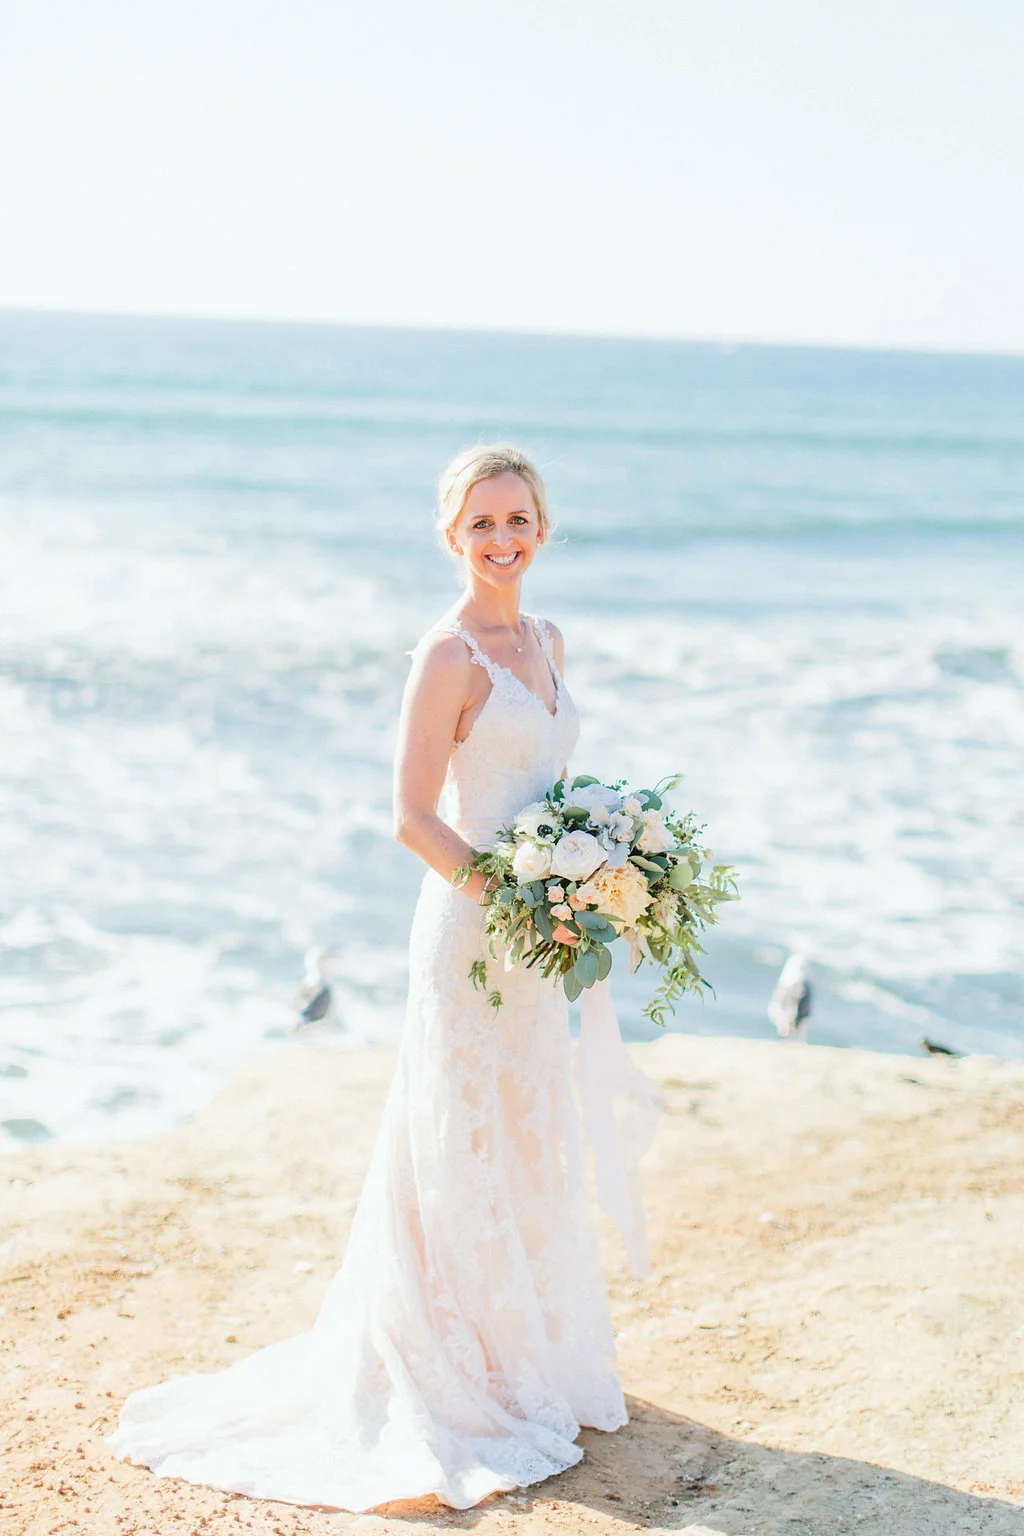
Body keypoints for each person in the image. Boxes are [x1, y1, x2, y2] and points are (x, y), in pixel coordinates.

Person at [107, 444, 631, 1512]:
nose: (501, 539)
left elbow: (548, 786)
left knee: (527, 1125)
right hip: (474, 930)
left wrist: (590, 872)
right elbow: (410, 816)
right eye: (481, 523)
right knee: (456, 1133)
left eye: (517, 519)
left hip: (538, 932)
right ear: (451, 534)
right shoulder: (445, 655)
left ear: (542, 527)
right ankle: (449, 1368)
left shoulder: (548, 640)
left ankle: (523, 1354)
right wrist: (516, 897)